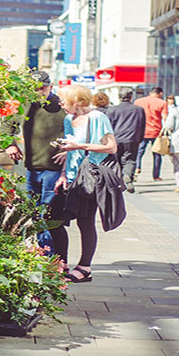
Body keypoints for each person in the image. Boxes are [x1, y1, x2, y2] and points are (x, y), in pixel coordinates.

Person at [53, 85, 118, 283]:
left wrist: (78, 146)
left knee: (85, 221)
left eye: (63, 100)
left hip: (89, 176)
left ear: (78, 101)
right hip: (72, 177)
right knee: (54, 218)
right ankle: (61, 262)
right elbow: (70, 148)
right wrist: (63, 174)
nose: (60, 103)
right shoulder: (68, 119)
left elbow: (111, 147)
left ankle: (85, 267)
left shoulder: (97, 118)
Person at [1, 70, 66, 251]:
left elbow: (79, 130)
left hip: (55, 169)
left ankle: (49, 257)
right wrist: (10, 144)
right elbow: (6, 126)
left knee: (47, 214)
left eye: (42, 88)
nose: (38, 91)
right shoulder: (23, 105)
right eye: (34, 88)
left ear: (50, 86)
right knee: (34, 214)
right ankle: (43, 254)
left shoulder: (61, 105)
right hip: (32, 169)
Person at [106, 87, 146, 193]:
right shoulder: (138, 110)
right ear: (131, 97)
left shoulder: (112, 110)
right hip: (132, 138)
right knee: (130, 160)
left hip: (116, 138)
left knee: (116, 160)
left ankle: (118, 181)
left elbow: (109, 126)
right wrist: (140, 139)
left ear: (119, 97)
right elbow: (142, 125)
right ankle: (127, 175)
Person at [134, 87, 168, 181]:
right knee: (157, 153)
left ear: (150, 93)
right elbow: (164, 118)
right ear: (160, 93)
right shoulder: (162, 103)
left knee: (139, 152)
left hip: (141, 131)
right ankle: (156, 175)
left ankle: (136, 168)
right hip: (156, 131)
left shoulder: (138, 101)